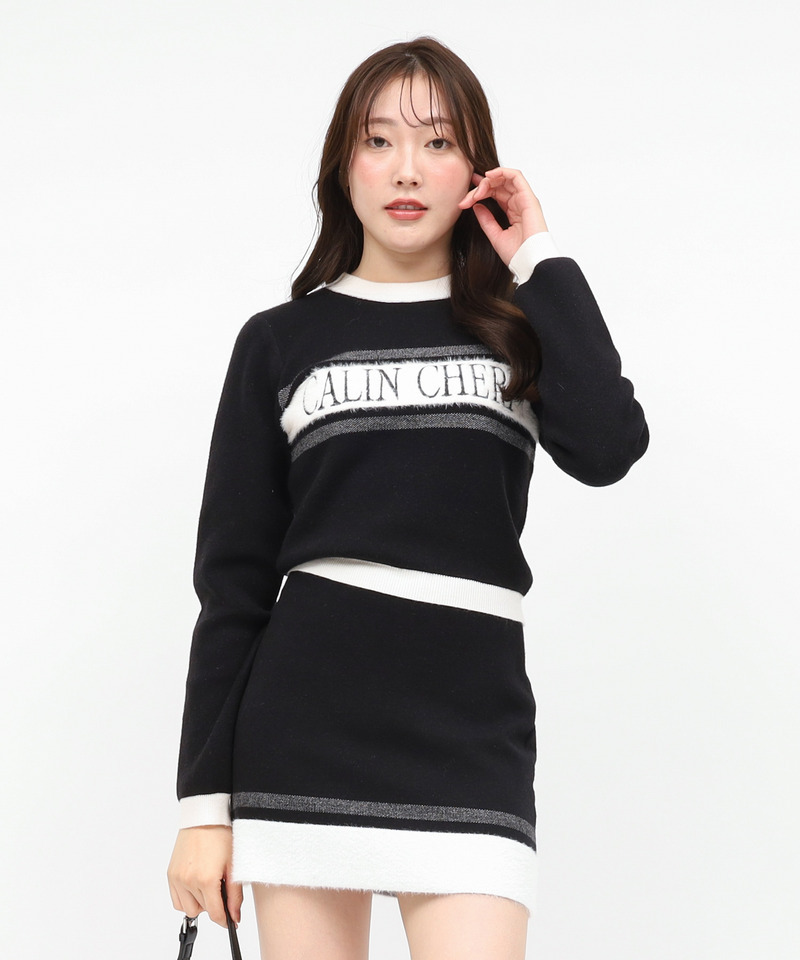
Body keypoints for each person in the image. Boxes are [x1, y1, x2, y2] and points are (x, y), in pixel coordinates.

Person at [167, 35, 649, 960]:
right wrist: (203, 809)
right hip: (303, 733)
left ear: (476, 171)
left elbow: (609, 446)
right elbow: (231, 588)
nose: (406, 170)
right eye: (378, 140)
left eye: (437, 142)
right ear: (342, 164)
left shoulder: (516, 329)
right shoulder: (279, 341)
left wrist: (539, 257)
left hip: (472, 734)